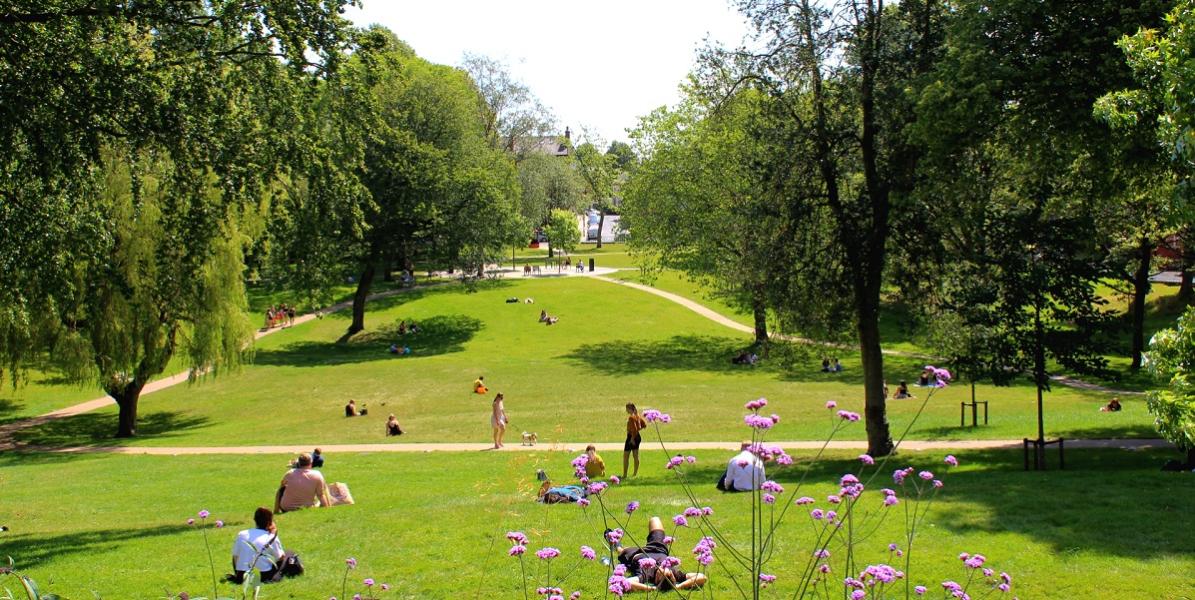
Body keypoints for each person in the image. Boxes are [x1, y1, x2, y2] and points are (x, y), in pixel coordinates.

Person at [612, 516, 708, 592]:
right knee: (655, 519)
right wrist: (679, 586)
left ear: (657, 579)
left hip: (634, 554)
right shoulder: (677, 574)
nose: (664, 567)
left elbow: (624, 582)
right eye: (668, 570)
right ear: (673, 576)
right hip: (658, 547)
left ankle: (614, 541)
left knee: (620, 550)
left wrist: (651, 588)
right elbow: (702, 577)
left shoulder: (646, 575)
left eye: (661, 571)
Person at [229, 507, 286, 584]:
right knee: (289, 554)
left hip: (242, 575)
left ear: (254, 519)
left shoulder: (242, 534)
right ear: (270, 522)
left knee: (237, 553)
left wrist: (237, 573)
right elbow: (280, 557)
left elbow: (235, 556)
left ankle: (238, 576)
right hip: (263, 576)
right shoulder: (271, 536)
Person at [622, 403, 648, 479]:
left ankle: (625, 475)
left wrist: (632, 439)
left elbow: (634, 429)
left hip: (631, 437)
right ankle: (635, 474)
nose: (626, 410)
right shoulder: (637, 416)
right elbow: (644, 425)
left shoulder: (631, 417)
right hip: (637, 437)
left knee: (626, 456)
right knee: (635, 455)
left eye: (627, 408)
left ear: (630, 409)